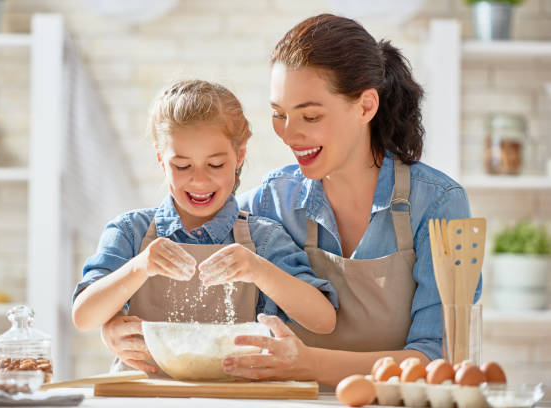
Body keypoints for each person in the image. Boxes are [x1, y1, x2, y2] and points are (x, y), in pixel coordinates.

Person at [219, 14, 481, 386]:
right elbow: (185, 233)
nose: (289, 135)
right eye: (278, 115)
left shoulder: (438, 204)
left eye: (310, 115)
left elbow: (437, 359)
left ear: (365, 107)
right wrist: (119, 321)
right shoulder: (271, 200)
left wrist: (307, 364)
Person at [71, 79, 338, 374]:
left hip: (234, 398)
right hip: (145, 396)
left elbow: (323, 320)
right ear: (161, 159)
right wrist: (140, 267)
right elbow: (84, 317)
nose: (199, 180)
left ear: (239, 157)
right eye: (182, 166)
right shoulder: (130, 232)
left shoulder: (263, 239)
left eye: (215, 165)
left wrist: (258, 269)